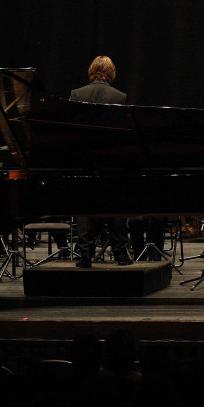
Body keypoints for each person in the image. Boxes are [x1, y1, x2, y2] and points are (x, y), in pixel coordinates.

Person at [70, 56, 133, 267]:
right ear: (111, 73)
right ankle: (121, 255)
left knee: (86, 208)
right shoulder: (120, 96)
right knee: (116, 207)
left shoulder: (77, 94)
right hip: (113, 161)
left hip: (85, 160)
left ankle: (85, 255)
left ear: (92, 71)